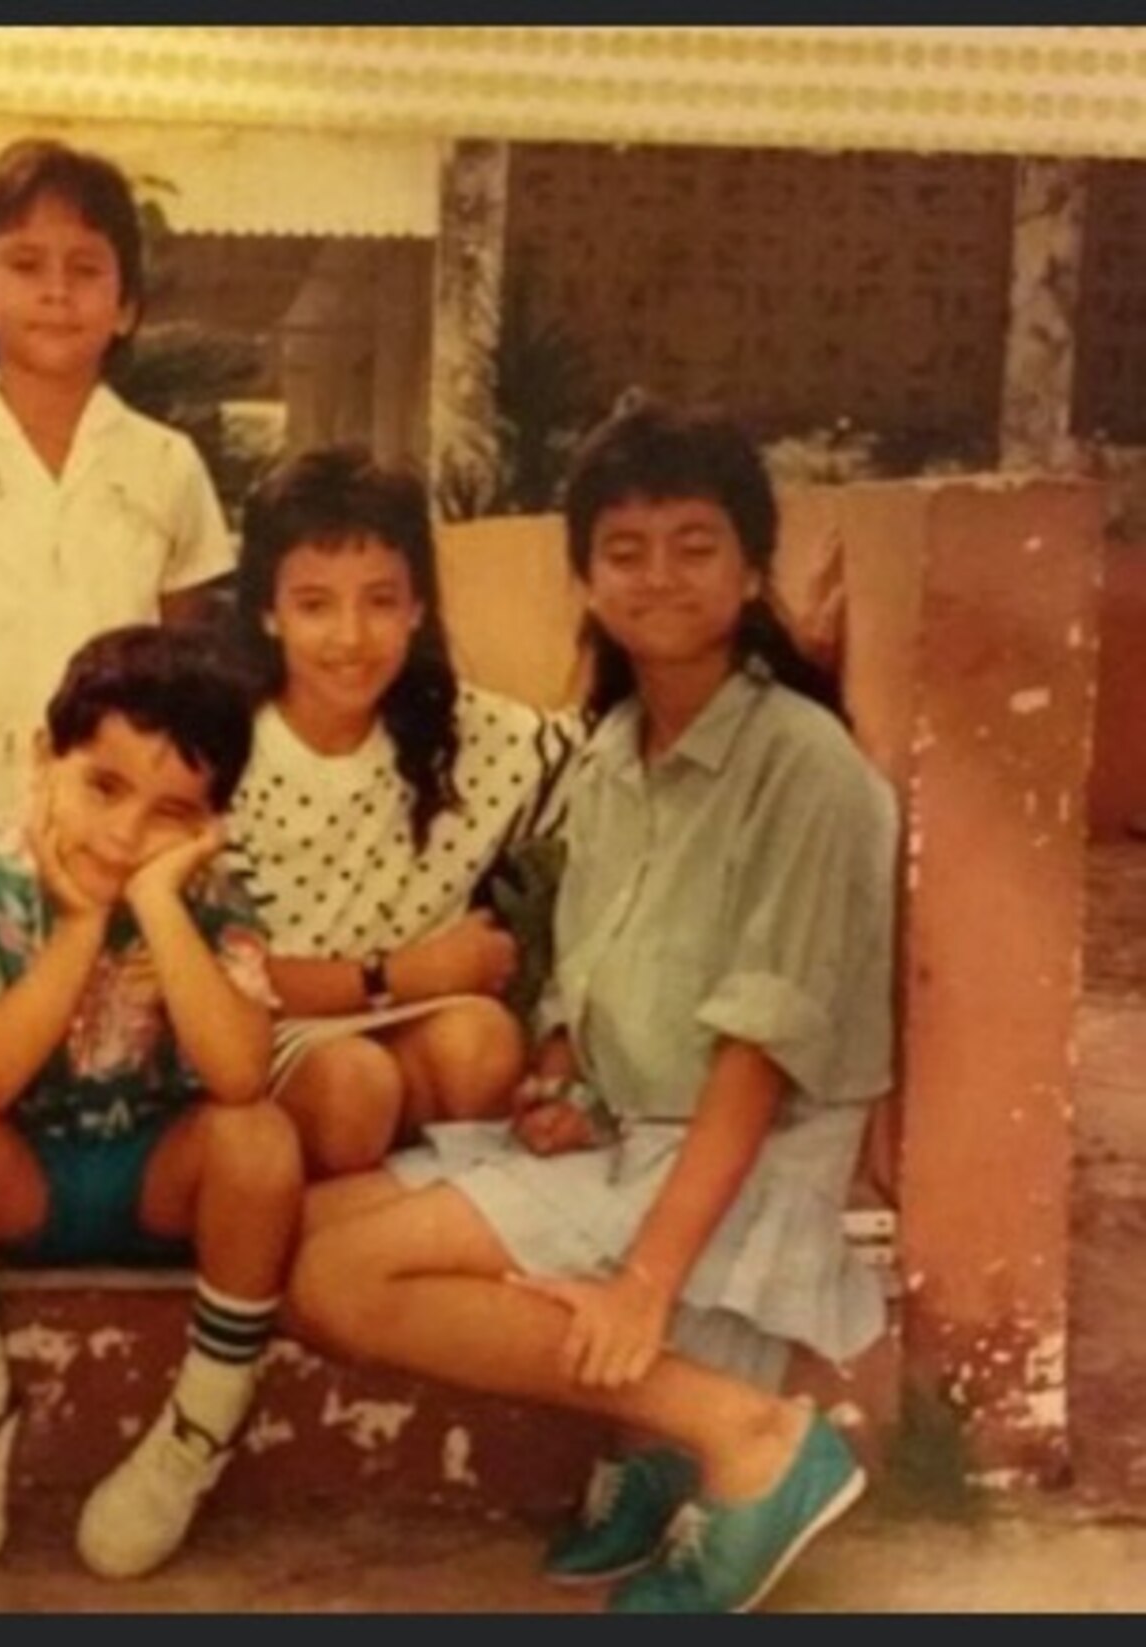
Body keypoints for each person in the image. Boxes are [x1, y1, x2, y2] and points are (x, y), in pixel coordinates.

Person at [285, 400, 897, 1614]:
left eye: (693, 543)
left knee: (338, 1287)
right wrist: (561, 1077)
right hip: (624, 1136)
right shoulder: (614, 753)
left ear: (749, 564)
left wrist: (642, 1285)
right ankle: (655, 1444)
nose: (657, 576)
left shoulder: (804, 766)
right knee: (313, 1220)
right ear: (584, 575)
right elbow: (585, 980)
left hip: (735, 1159)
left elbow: (757, 1061)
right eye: (623, 550)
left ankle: (739, 1437)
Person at [0, 623, 302, 1584]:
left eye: (169, 812)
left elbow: (239, 1076)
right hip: (21, 1181)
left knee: (261, 1141)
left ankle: (200, 1422)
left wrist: (155, 902)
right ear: (42, 758)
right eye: (103, 786)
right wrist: (78, 927)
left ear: (208, 825)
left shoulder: (216, 898)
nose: (121, 833)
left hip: (156, 1182)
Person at [0, 136, 234, 860]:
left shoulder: (167, 463)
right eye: (25, 265)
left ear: (125, 308)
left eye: (86, 268)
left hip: (112, 820)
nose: (56, 291)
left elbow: (177, 641)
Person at [223, 445, 580, 1179]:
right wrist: (405, 972)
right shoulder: (223, 746)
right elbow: (223, 971)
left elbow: (617, 764)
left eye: (381, 601)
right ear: (267, 611)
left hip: (406, 1029)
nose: (351, 637)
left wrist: (785, 661)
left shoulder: (470, 736)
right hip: (266, 1036)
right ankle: (312, 1239)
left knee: (484, 1041)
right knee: (356, 1083)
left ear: (418, 607)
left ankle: (397, 1218)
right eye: (315, 604)